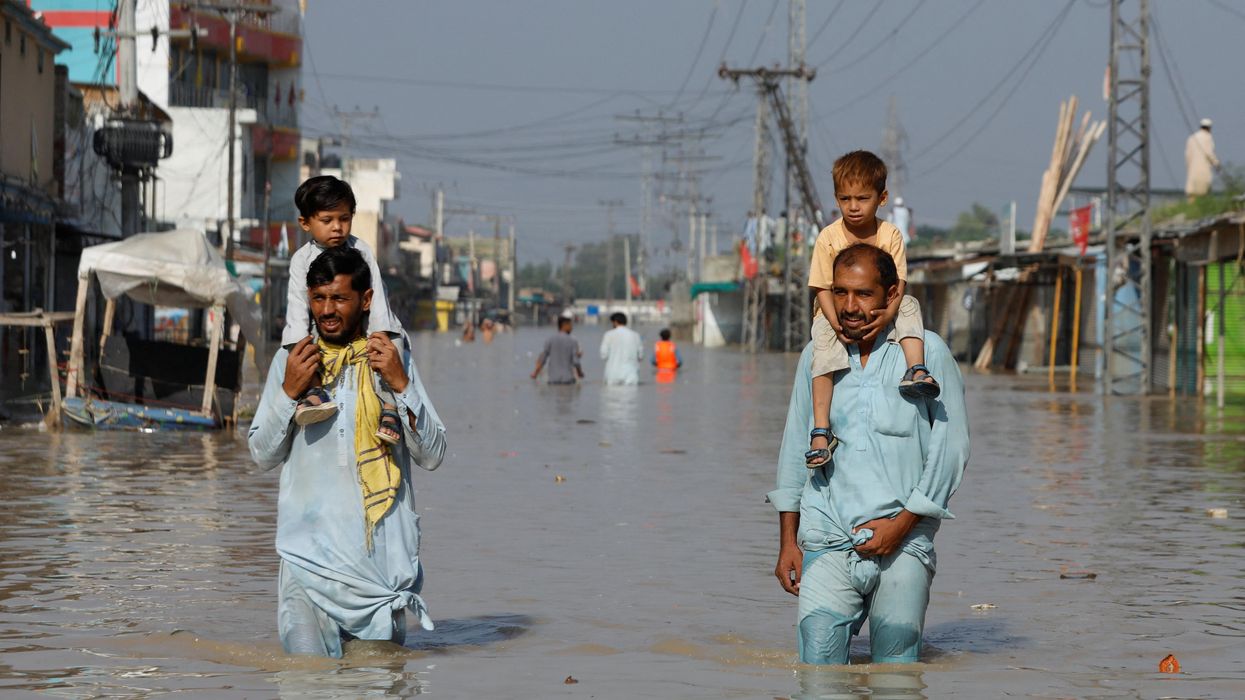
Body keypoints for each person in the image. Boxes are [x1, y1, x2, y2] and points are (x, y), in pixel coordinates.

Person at [771, 243, 969, 665]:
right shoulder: (817, 355)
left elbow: (950, 451)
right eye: (840, 292)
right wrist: (788, 540)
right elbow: (794, 447)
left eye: (863, 294)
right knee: (817, 673)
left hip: (904, 544)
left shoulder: (926, 353)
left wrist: (902, 525)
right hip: (828, 539)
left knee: (896, 675)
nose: (849, 306)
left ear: (892, 293)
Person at [248, 245, 447, 658]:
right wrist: (288, 392)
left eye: (339, 298)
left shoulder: (393, 359)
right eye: (318, 299)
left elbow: (433, 454)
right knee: (307, 682)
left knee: (377, 679)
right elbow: (261, 455)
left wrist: (401, 386)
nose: (327, 310)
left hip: (378, 576)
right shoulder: (293, 361)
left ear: (366, 300)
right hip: (307, 565)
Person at [805, 151, 938, 469]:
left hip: (885, 307)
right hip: (832, 312)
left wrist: (888, 314)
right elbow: (822, 287)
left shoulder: (889, 234)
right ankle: (821, 431)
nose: (853, 206)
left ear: (882, 198)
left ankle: (915, 369)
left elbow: (900, 282)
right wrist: (836, 323)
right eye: (844, 198)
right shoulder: (828, 237)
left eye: (862, 198)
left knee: (910, 305)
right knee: (822, 349)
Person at [283, 175, 404, 446]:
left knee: (393, 347)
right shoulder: (301, 260)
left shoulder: (361, 250)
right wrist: (299, 342)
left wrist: (379, 335)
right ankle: (314, 392)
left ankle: (390, 408)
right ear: (305, 223)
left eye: (344, 219)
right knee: (298, 347)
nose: (337, 228)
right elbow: (297, 308)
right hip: (318, 333)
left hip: (366, 326)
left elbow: (379, 301)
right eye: (327, 221)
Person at [531, 315, 584, 384]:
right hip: (567, 380)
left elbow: (542, 359)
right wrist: (580, 373)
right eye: (570, 325)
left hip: (553, 380)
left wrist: (535, 373)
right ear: (564, 325)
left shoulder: (550, 340)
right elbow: (576, 361)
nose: (572, 328)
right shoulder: (572, 341)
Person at [600, 311, 644, 385]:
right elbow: (640, 356)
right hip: (631, 375)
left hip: (612, 375)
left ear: (615, 322)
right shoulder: (636, 335)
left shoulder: (608, 335)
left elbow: (603, 355)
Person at [1185, 118, 1220, 202]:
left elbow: (1187, 156)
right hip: (1204, 169)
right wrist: (1217, 164)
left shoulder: (1191, 138)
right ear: (1209, 128)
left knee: (1192, 193)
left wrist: (1188, 167)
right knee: (1204, 191)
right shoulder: (1208, 137)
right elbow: (1209, 153)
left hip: (1192, 169)